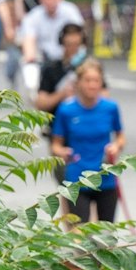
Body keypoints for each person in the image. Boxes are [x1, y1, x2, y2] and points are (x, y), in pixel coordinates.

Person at [51, 62, 126, 222]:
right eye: (87, 80)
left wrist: (116, 146)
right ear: (78, 83)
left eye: (96, 80)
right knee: (80, 234)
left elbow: (121, 137)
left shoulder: (110, 108)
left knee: (106, 235)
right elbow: (55, 145)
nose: (92, 85)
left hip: (106, 177)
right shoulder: (66, 110)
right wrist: (63, 152)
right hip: (77, 178)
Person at [18, 0, 84, 93]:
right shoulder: (34, 16)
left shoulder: (70, 11)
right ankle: (34, 93)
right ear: (41, 0)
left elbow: (78, 34)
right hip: (45, 57)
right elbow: (29, 38)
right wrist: (30, 56)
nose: (50, 2)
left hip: (67, 54)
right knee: (29, 66)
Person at [35, 22, 99, 112]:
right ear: (62, 43)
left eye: (77, 45)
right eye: (69, 44)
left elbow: (104, 96)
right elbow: (41, 103)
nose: (73, 49)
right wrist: (62, 94)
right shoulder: (51, 68)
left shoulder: (91, 67)